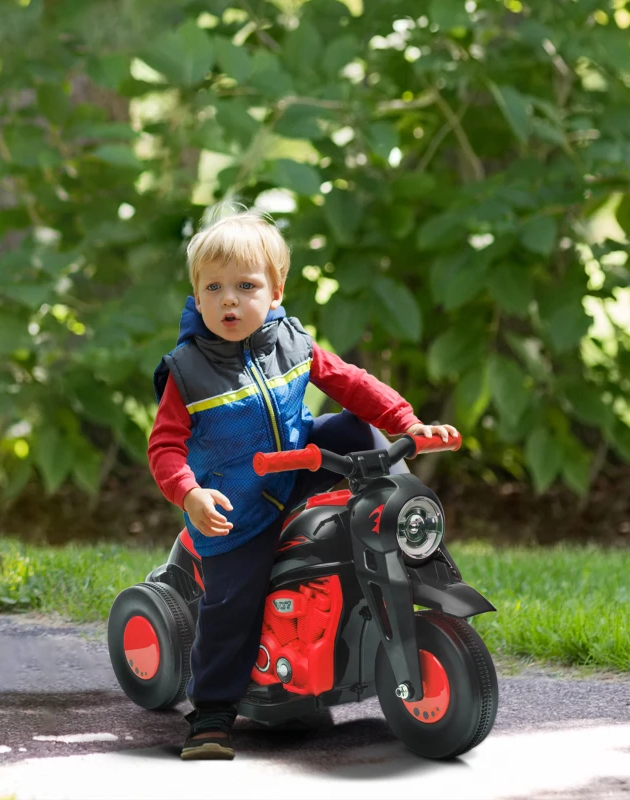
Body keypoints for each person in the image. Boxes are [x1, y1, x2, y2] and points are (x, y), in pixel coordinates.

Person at [148, 209, 458, 760]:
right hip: (238, 498)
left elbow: (350, 382)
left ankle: (403, 532)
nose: (229, 300)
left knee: (356, 426)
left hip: (295, 459)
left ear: (275, 290)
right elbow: (165, 447)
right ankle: (213, 711)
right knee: (233, 599)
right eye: (213, 288)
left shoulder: (290, 341)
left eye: (246, 286)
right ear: (195, 296)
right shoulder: (188, 370)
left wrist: (407, 423)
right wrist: (190, 493)